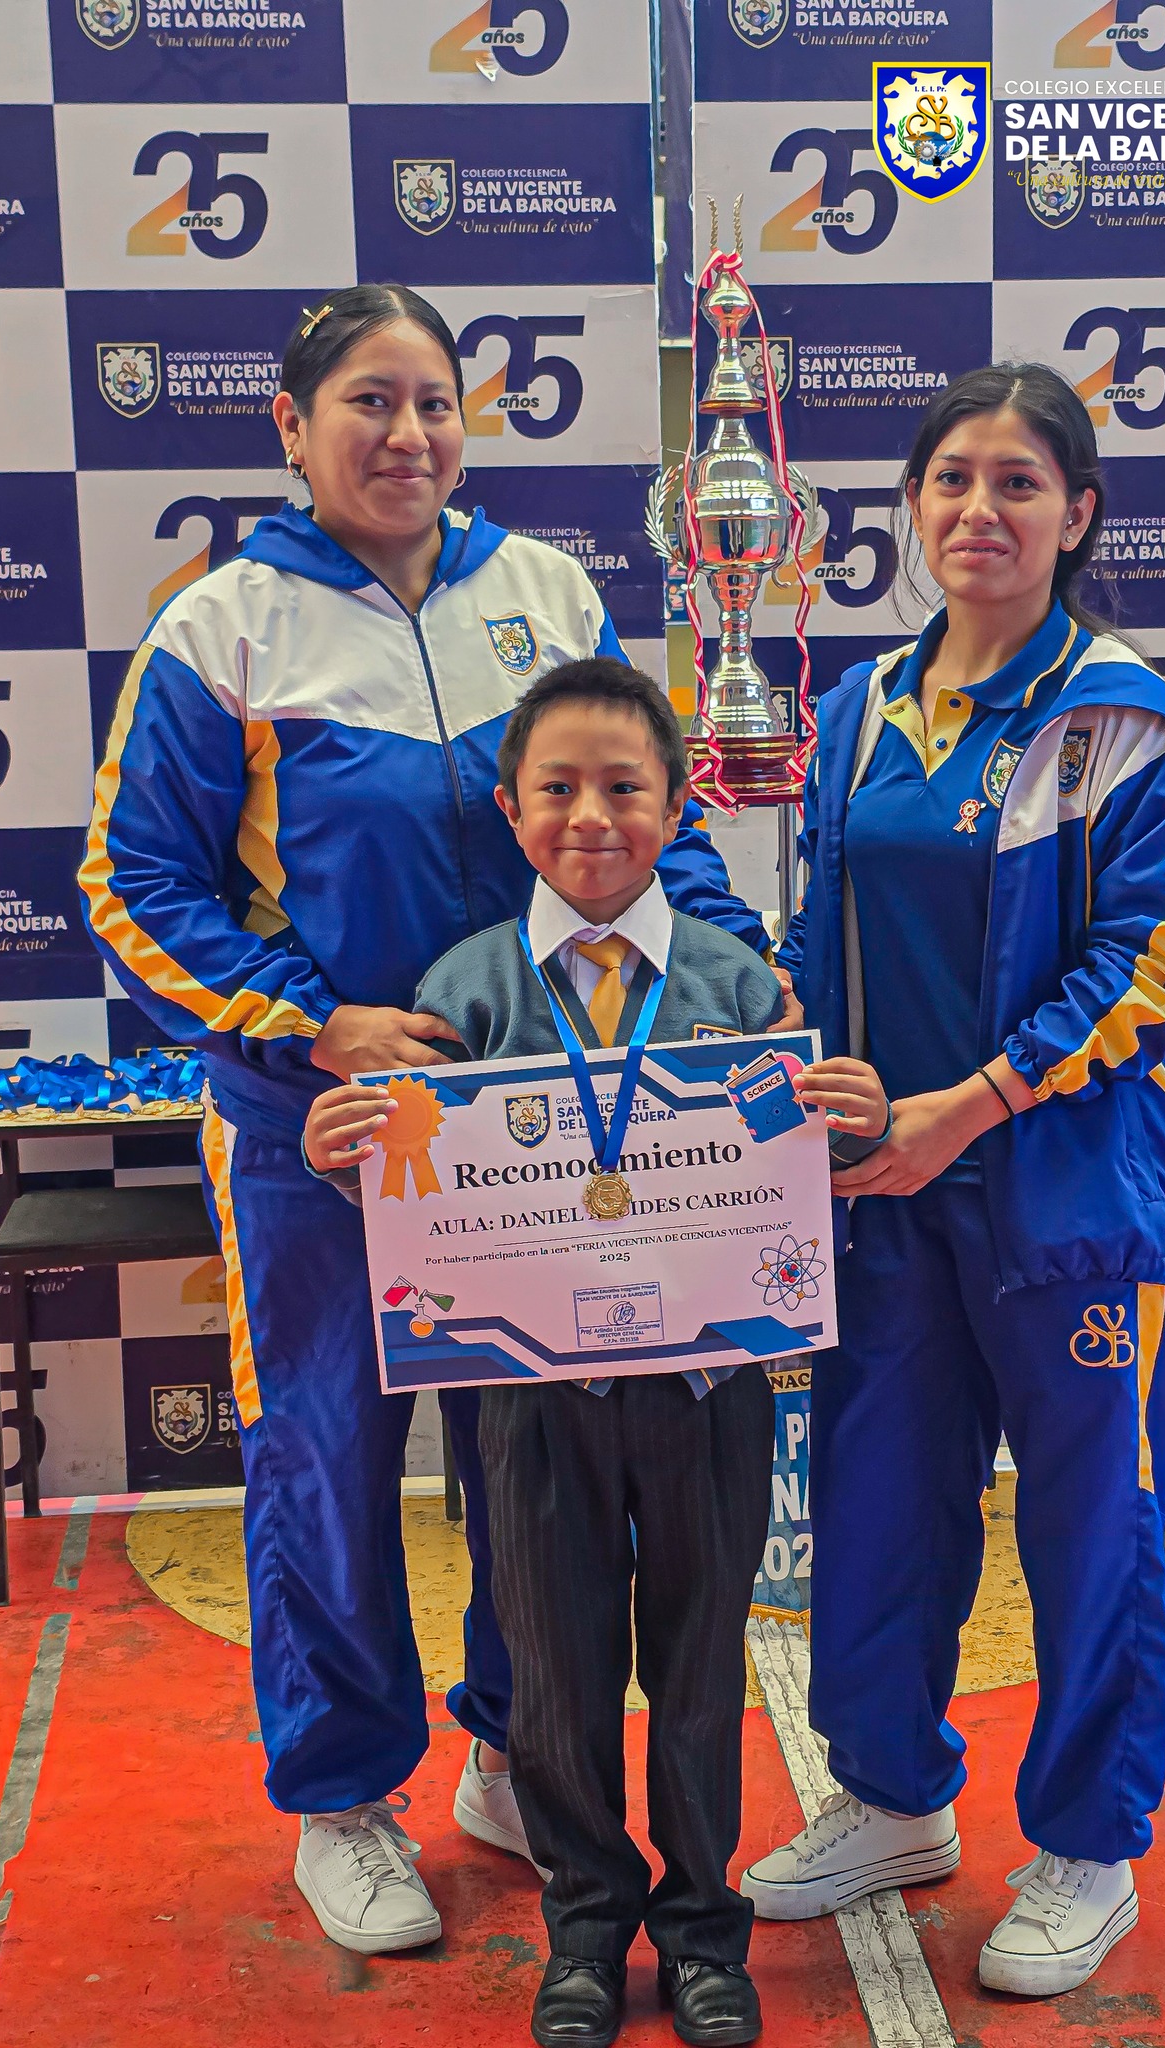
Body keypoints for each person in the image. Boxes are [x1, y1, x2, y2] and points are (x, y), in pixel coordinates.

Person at [77, 284, 777, 1956]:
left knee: (535, 1455)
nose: (407, 435)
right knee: (325, 1460)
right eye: (369, 402)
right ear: (292, 425)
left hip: (546, 1125)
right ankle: (340, 1798)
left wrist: (733, 987)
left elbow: (642, 816)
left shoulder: (542, 590)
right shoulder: (224, 627)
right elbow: (132, 882)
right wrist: (313, 1025)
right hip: (321, 1137)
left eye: (436, 403)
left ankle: (511, 1754)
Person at [738, 364, 1165, 1997]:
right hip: (884, 1194)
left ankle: (1089, 1845)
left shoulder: (1120, 719)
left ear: (1075, 514)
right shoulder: (852, 713)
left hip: (1065, 1191)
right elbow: (821, 935)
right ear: (910, 505)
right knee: (880, 1500)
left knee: (1090, 1524)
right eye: (951, 478)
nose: (979, 509)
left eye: (1018, 482)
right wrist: (800, 1069)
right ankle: (892, 1795)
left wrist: (967, 1107)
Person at [307, 658, 782, 2048]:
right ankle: (582, 1930)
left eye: (625, 787)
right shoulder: (459, 991)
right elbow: (420, 1197)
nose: (591, 817)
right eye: (557, 788)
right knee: (556, 1682)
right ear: (510, 811)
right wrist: (343, 1154)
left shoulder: (741, 984)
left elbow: (789, 1182)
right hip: (526, 1400)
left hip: (706, 1388)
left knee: (698, 1669)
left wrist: (845, 1119)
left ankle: (702, 1931)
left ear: (676, 805)